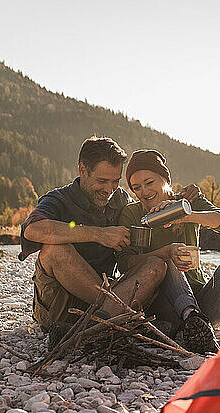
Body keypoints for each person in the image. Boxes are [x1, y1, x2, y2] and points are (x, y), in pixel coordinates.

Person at [18, 137, 201, 348]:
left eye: (115, 181)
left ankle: (96, 328)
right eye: (102, 181)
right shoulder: (58, 199)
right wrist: (99, 234)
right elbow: (33, 229)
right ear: (83, 170)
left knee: (156, 265)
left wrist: (181, 199)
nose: (109, 189)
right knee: (54, 250)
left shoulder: (119, 199)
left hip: (109, 298)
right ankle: (117, 323)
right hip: (61, 308)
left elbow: (147, 209)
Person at [116, 149, 220, 353]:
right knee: (167, 262)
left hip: (204, 306)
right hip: (163, 309)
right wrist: (166, 252)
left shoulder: (186, 202)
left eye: (149, 182)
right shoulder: (132, 213)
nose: (144, 192)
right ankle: (192, 321)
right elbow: (124, 263)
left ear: (165, 178)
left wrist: (186, 215)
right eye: (136, 187)